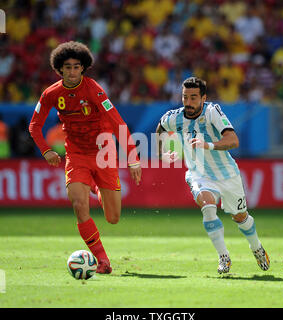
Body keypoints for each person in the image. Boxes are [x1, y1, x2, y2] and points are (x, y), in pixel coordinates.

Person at [29, 41, 142, 274]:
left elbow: (118, 122)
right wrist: (47, 150)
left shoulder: (94, 90)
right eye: (67, 67)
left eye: (76, 67)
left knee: (113, 218)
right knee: (79, 205)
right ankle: (103, 260)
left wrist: (132, 158)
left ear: (83, 68)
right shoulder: (51, 93)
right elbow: (34, 126)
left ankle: (97, 188)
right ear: (59, 69)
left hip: (104, 153)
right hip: (76, 154)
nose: (72, 71)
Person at [155, 77, 269, 274]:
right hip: (199, 174)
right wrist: (161, 153)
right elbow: (161, 129)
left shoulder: (212, 112)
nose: (188, 103)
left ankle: (256, 247)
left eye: (193, 98)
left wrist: (208, 145)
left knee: (240, 217)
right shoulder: (174, 117)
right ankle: (223, 256)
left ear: (203, 98)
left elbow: (233, 140)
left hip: (227, 174)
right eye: (184, 98)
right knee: (208, 207)